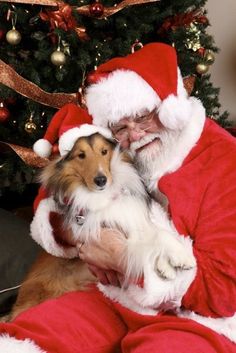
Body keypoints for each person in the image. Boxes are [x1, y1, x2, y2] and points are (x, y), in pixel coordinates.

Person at [0, 42, 236, 353]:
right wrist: (84, 232)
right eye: (121, 127)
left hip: (194, 317)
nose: (136, 135)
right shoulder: (118, 152)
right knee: (29, 339)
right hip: (113, 298)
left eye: (143, 117)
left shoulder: (224, 160)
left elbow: (222, 291)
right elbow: (57, 194)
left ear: (169, 107)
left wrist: (122, 257)